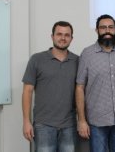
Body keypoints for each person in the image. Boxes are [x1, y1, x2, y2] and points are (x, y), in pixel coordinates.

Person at [75, 14, 115, 152]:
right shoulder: (87, 54)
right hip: (97, 121)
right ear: (97, 30)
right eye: (103, 27)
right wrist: (81, 120)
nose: (107, 31)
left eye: (111, 27)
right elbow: (79, 87)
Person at [22, 21, 79, 152]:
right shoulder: (37, 59)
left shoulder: (78, 61)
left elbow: (81, 92)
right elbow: (27, 91)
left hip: (69, 126)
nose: (63, 38)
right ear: (52, 36)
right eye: (59, 34)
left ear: (71, 38)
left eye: (67, 35)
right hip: (43, 126)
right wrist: (26, 121)